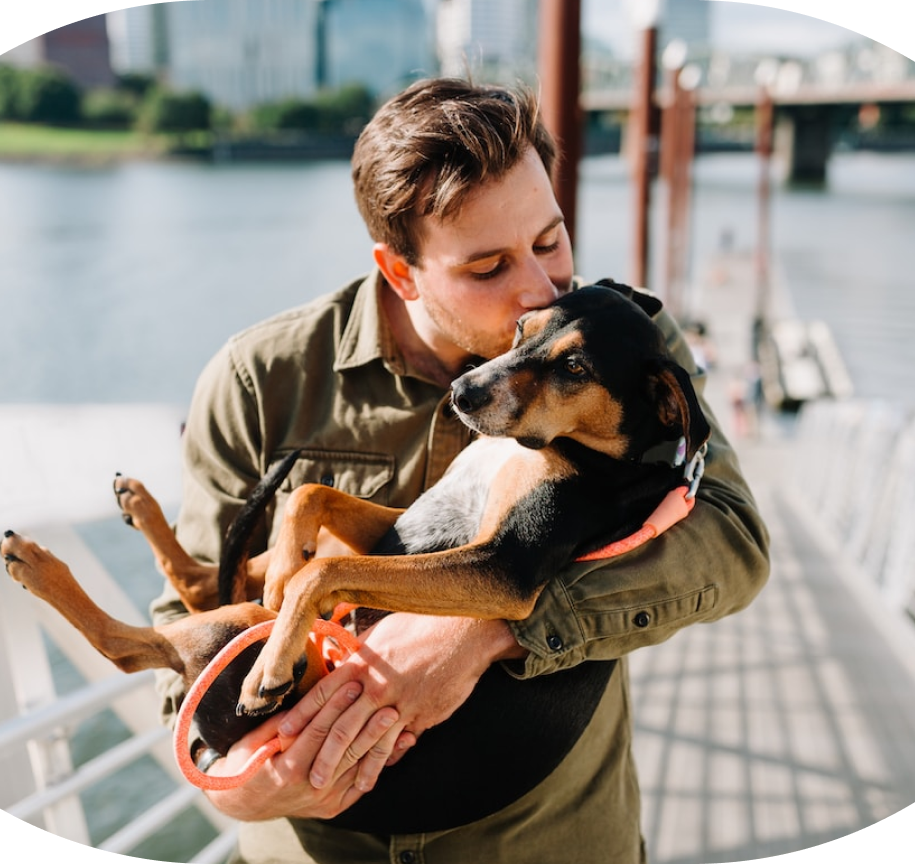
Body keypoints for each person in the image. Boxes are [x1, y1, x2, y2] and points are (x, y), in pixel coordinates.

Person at [149, 77, 770, 863]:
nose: (539, 291)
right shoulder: (256, 380)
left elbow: (735, 543)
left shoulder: (626, 343)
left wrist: (488, 626)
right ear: (401, 272)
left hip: (552, 845)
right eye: (487, 268)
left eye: (551, 241)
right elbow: (183, 626)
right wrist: (234, 779)